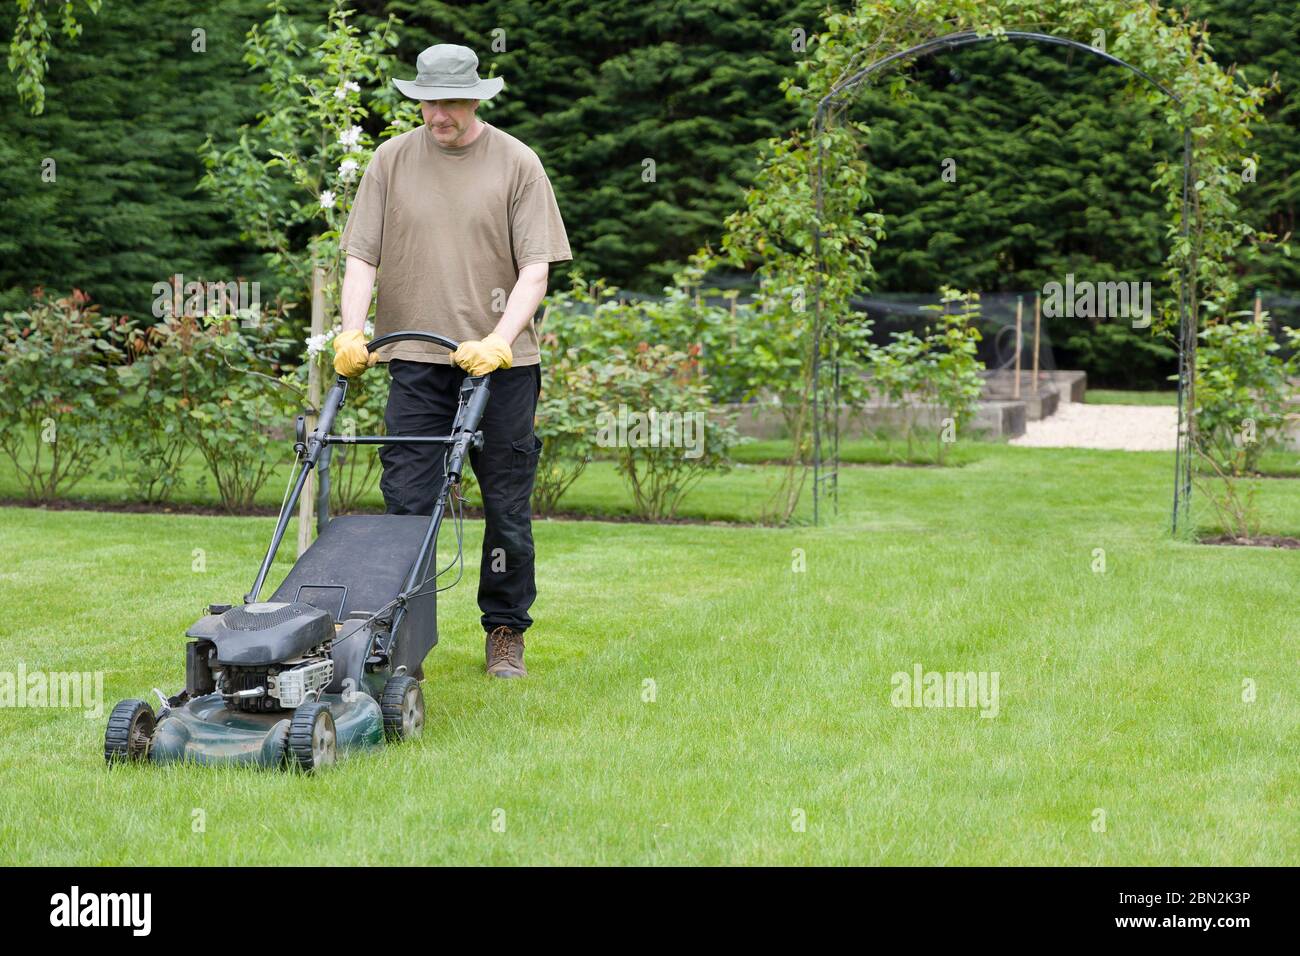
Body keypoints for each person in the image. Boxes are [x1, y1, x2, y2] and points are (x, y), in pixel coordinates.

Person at [332, 44, 571, 679]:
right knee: (407, 502)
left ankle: (505, 632)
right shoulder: (391, 160)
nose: (438, 114)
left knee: (506, 505)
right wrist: (352, 331)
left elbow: (536, 270)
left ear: (477, 98)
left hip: (504, 368)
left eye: (450, 102)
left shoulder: (517, 163)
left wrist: (499, 339)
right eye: (428, 101)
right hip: (414, 358)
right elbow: (361, 256)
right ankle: (402, 637)